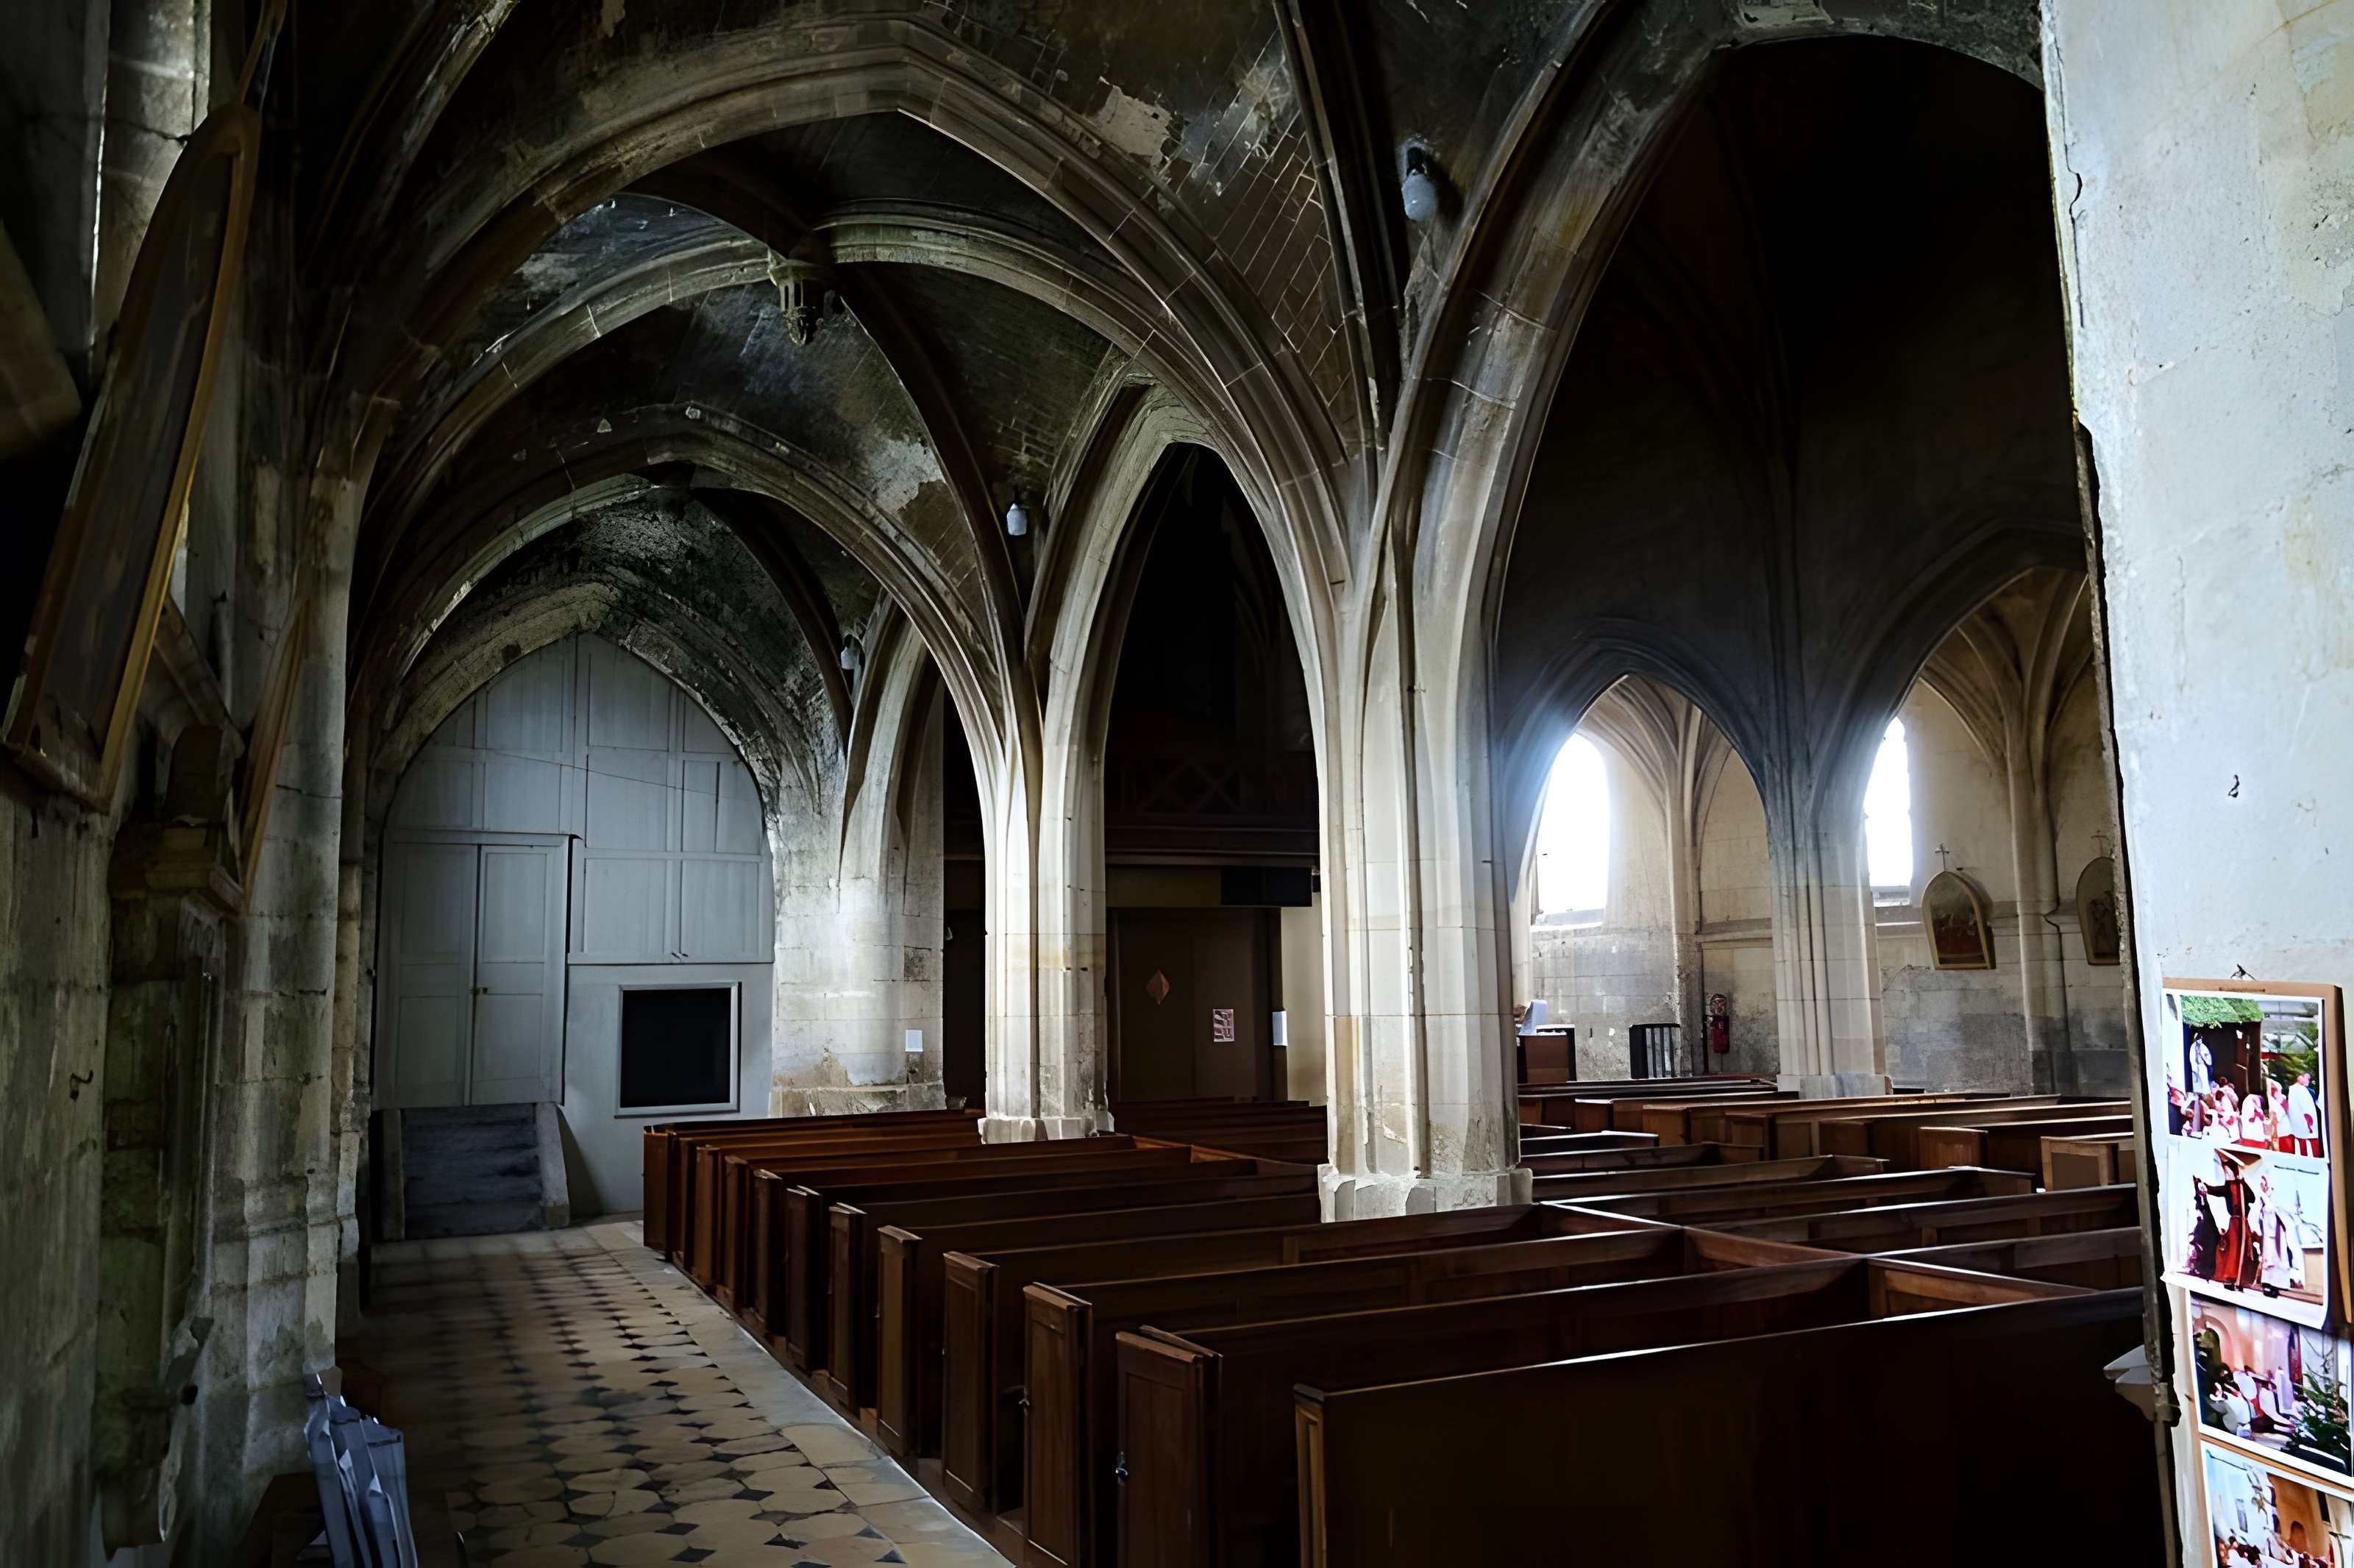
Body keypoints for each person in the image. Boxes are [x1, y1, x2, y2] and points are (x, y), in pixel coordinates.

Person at [2289, 1070, 2323, 1158]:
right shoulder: (2302, 1090)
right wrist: (2310, 1125)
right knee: (2314, 1145)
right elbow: (2307, 1110)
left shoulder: (2292, 1089)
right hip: (2308, 1125)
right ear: (2299, 1077)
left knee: (2302, 1147)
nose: (2309, 1080)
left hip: (2298, 1125)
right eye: (2307, 1078)